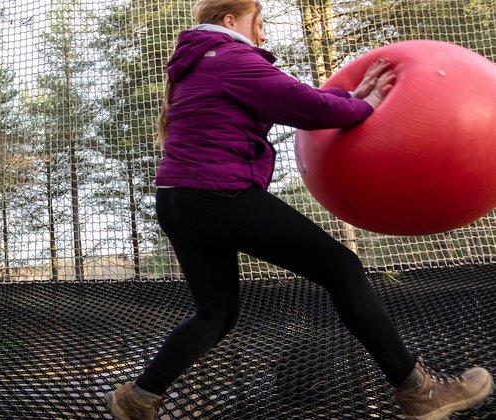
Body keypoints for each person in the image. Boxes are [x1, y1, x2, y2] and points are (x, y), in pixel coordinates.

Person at [105, 1, 494, 419]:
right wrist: (368, 103)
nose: (264, 34)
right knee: (342, 268)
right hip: (218, 194)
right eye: (260, 23)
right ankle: (418, 392)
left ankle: (137, 399)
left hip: (178, 199)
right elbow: (306, 108)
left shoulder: (199, 63)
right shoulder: (231, 57)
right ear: (231, 21)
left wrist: (349, 97)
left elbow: (300, 99)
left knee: (215, 315)